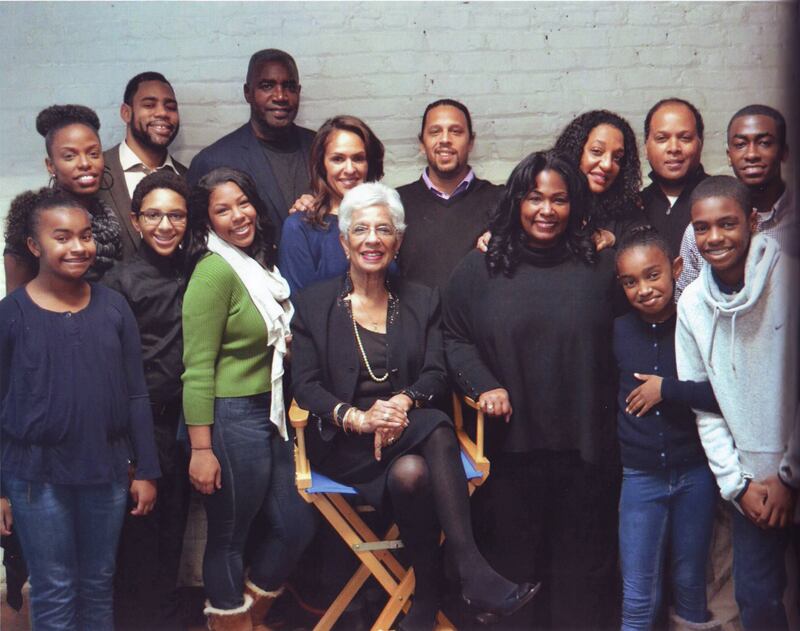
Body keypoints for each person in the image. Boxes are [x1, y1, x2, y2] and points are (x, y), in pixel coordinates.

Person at [291, 181, 538, 631]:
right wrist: (360, 418)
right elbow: (305, 386)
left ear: (398, 240)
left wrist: (402, 402)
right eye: (360, 230)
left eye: (383, 230)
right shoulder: (313, 304)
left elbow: (436, 373)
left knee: (412, 473)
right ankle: (470, 572)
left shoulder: (423, 299)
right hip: (345, 445)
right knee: (438, 425)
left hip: (409, 437)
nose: (372, 240)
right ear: (344, 241)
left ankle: (425, 604)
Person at [443, 150, 620, 629]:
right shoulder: (479, 268)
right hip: (509, 453)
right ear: (517, 201)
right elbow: (453, 338)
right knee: (515, 574)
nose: (546, 210)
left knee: (581, 578)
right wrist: (484, 385)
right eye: (534, 197)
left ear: (574, 204)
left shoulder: (602, 266)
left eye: (559, 199)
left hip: (586, 452)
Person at [0, 187, 160, 630]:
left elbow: (136, 393)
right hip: (35, 477)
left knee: (98, 581)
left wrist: (146, 470)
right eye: (62, 237)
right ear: (34, 246)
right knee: (53, 586)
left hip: (105, 471)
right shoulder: (10, 315)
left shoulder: (114, 308)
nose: (78, 247)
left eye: (85, 236)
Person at [182, 167, 315, 630]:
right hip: (229, 416)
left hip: (269, 411)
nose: (238, 215)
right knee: (229, 536)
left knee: (297, 523)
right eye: (223, 209)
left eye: (243, 203)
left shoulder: (257, 265)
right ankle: (231, 622)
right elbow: (197, 369)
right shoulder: (214, 272)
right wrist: (201, 449)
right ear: (207, 221)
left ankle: (249, 618)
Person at [675, 175, 799, 629]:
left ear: (752, 221)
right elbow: (704, 406)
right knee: (756, 600)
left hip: (788, 475)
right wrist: (738, 486)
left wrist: (788, 477)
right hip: (750, 489)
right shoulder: (691, 304)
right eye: (702, 228)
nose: (714, 238)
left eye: (727, 224)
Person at [613, 226, 720, 630]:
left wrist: (667, 390)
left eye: (652, 275)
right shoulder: (618, 331)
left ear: (676, 269)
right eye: (630, 282)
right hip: (640, 477)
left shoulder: (696, 324)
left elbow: (725, 395)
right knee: (638, 594)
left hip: (695, 475)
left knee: (690, 583)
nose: (643, 289)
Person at [103, 170, 192, 630]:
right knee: (138, 538)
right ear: (136, 221)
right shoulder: (118, 284)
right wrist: (134, 458)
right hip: (142, 427)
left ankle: (163, 617)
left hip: (187, 424)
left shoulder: (197, 269)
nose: (165, 225)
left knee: (172, 535)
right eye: (154, 215)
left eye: (176, 216)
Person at [187, 49, 314, 237]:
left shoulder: (322, 147)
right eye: (267, 86)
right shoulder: (213, 160)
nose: (280, 96)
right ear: (248, 93)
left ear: (299, 91)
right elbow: (196, 237)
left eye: (289, 86)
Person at [676, 104, 795, 299]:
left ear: (784, 151)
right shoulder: (698, 232)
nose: (751, 154)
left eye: (764, 143)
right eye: (740, 145)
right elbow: (685, 301)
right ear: (729, 155)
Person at [4, 104, 122, 292]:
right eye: (69, 156)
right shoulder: (34, 221)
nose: (85, 163)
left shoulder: (108, 217)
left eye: (93, 154)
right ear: (50, 165)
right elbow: (16, 303)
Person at [396, 99, 503, 289]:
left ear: (471, 142)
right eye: (435, 132)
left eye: (456, 131)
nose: (445, 139)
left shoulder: (501, 200)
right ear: (422, 144)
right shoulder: (396, 203)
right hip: (413, 310)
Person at [279, 115, 385, 293]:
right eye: (338, 159)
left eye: (358, 158)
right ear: (322, 165)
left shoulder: (387, 219)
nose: (349, 169)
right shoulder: (300, 227)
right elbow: (301, 303)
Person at [100, 71, 187, 261]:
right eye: (149, 105)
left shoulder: (188, 178)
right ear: (126, 113)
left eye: (170, 107)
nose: (162, 113)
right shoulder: (96, 172)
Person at [553, 109, 645, 248]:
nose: (607, 165)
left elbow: (648, 246)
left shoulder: (626, 211)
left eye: (617, 158)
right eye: (596, 151)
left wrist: (614, 240)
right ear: (576, 150)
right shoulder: (548, 203)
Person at [641, 98, 708, 256]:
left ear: (700, 144)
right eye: (662, 139)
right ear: (646, 148)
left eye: (685, 138)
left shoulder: (721, 198)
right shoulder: (635, 206)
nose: (673, 148)